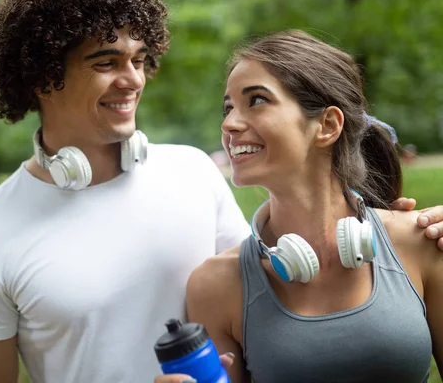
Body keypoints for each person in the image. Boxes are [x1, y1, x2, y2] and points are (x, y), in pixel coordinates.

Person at [0, 0, 443, 381]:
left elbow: (270, 287)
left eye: (139, 60)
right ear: (41, 74)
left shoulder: (190, 171)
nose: (134, 79)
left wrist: (380, 226)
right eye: (106, 62)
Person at [173, 30, 443, 383]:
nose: (228, 124)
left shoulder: (420, 240)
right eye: (228, 108)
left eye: (256, 100)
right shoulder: (214, 285)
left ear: (327, 126)